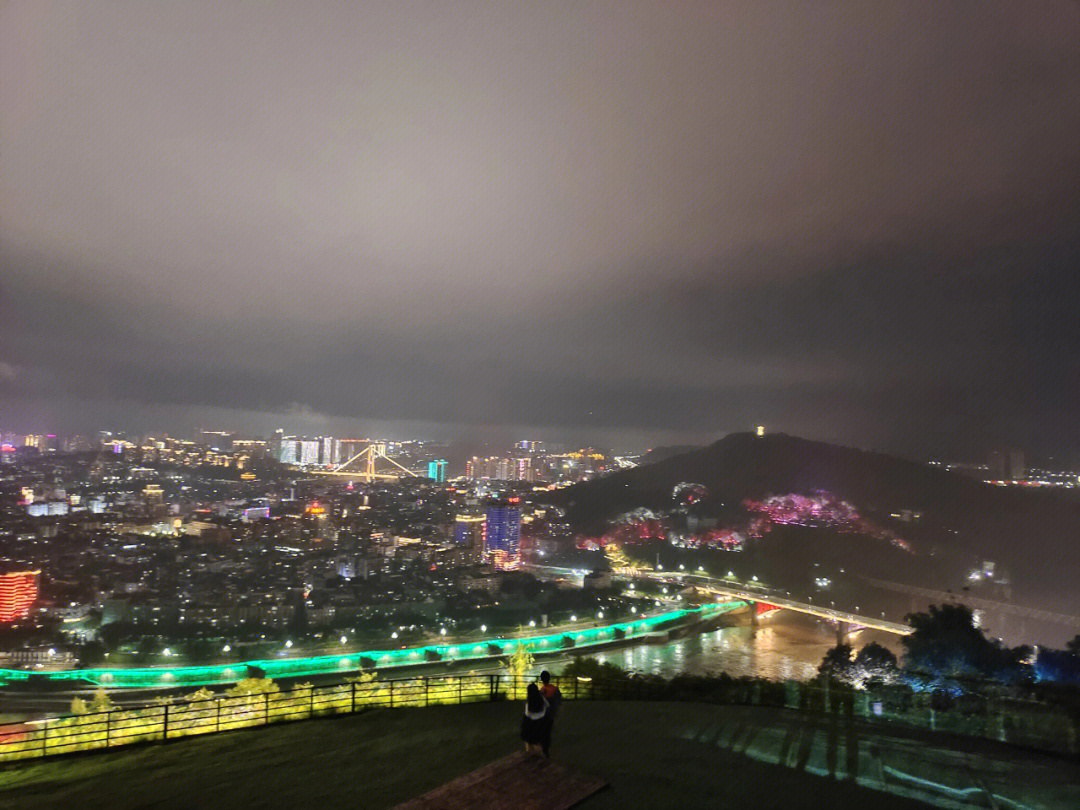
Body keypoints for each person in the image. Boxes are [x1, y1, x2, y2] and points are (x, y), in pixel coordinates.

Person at [520, 682, 548, 756]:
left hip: (530, 723)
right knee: (538, 741)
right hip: (540, 722)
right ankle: (541, 756)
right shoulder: (541, 699)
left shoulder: (529, 701)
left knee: (529, 741)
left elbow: (527, 713)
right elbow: (547, 705)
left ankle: (530, 754)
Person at [538, 671, 562, 758]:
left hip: (543, 715)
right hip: (552, 714)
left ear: (541, 679)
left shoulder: (542, 690)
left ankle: (543, 749)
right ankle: (546, 750)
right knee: (548, 732)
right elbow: (559, 700)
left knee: (543, 731)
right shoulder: (555, 689)